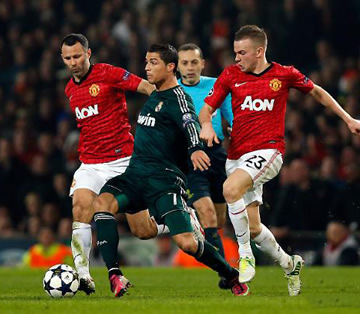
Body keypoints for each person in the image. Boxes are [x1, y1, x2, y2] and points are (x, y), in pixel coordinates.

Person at [199, 25, 360, 296]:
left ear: (259, 51)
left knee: (229, 189)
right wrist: (206, 125)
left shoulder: (283, 74)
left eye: (242, 52)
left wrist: (348, 119)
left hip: (269, 151)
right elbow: (206, 110)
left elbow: (317, 92)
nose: (237, 58)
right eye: (235, 52)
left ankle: (244, 257)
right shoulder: (230, 75)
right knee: (253, 228)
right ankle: (290, 264)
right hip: (237, 156)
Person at [92, 43, 249, 298]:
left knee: (187, 243)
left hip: (164, 181)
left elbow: (189, 121)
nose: (146, 67)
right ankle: (115, 275)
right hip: (135, 175)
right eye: (146, 61)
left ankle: (230, 274)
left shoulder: (179, 98)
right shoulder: (154, 95)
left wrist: (196, 148)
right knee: (102, 204)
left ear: (170, 67)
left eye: (153, 62)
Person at [61, 33, 155, 294]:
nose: (73, 62)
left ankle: (179, 220)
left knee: (143, 230)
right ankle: (83, 275)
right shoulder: (70, 89)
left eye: (77, 56)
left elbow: (144, 87)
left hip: (123, 160)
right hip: (90, 163)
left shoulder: (107, 73)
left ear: (88, 54)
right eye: (68, 58)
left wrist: (167, 101)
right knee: (80, 208)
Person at [177, 43, 234, 288]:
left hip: (217, 155)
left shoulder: (217, 86)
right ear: (177, 67)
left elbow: (232, 119)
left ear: (202, 63)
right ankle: (227, 275)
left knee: (219, 221)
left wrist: (234, 128)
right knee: (208, 212)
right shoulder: (171, 91)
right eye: (184, 63)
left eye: (194, 62)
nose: (190, 68)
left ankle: (202, 230)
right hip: (189, 157)